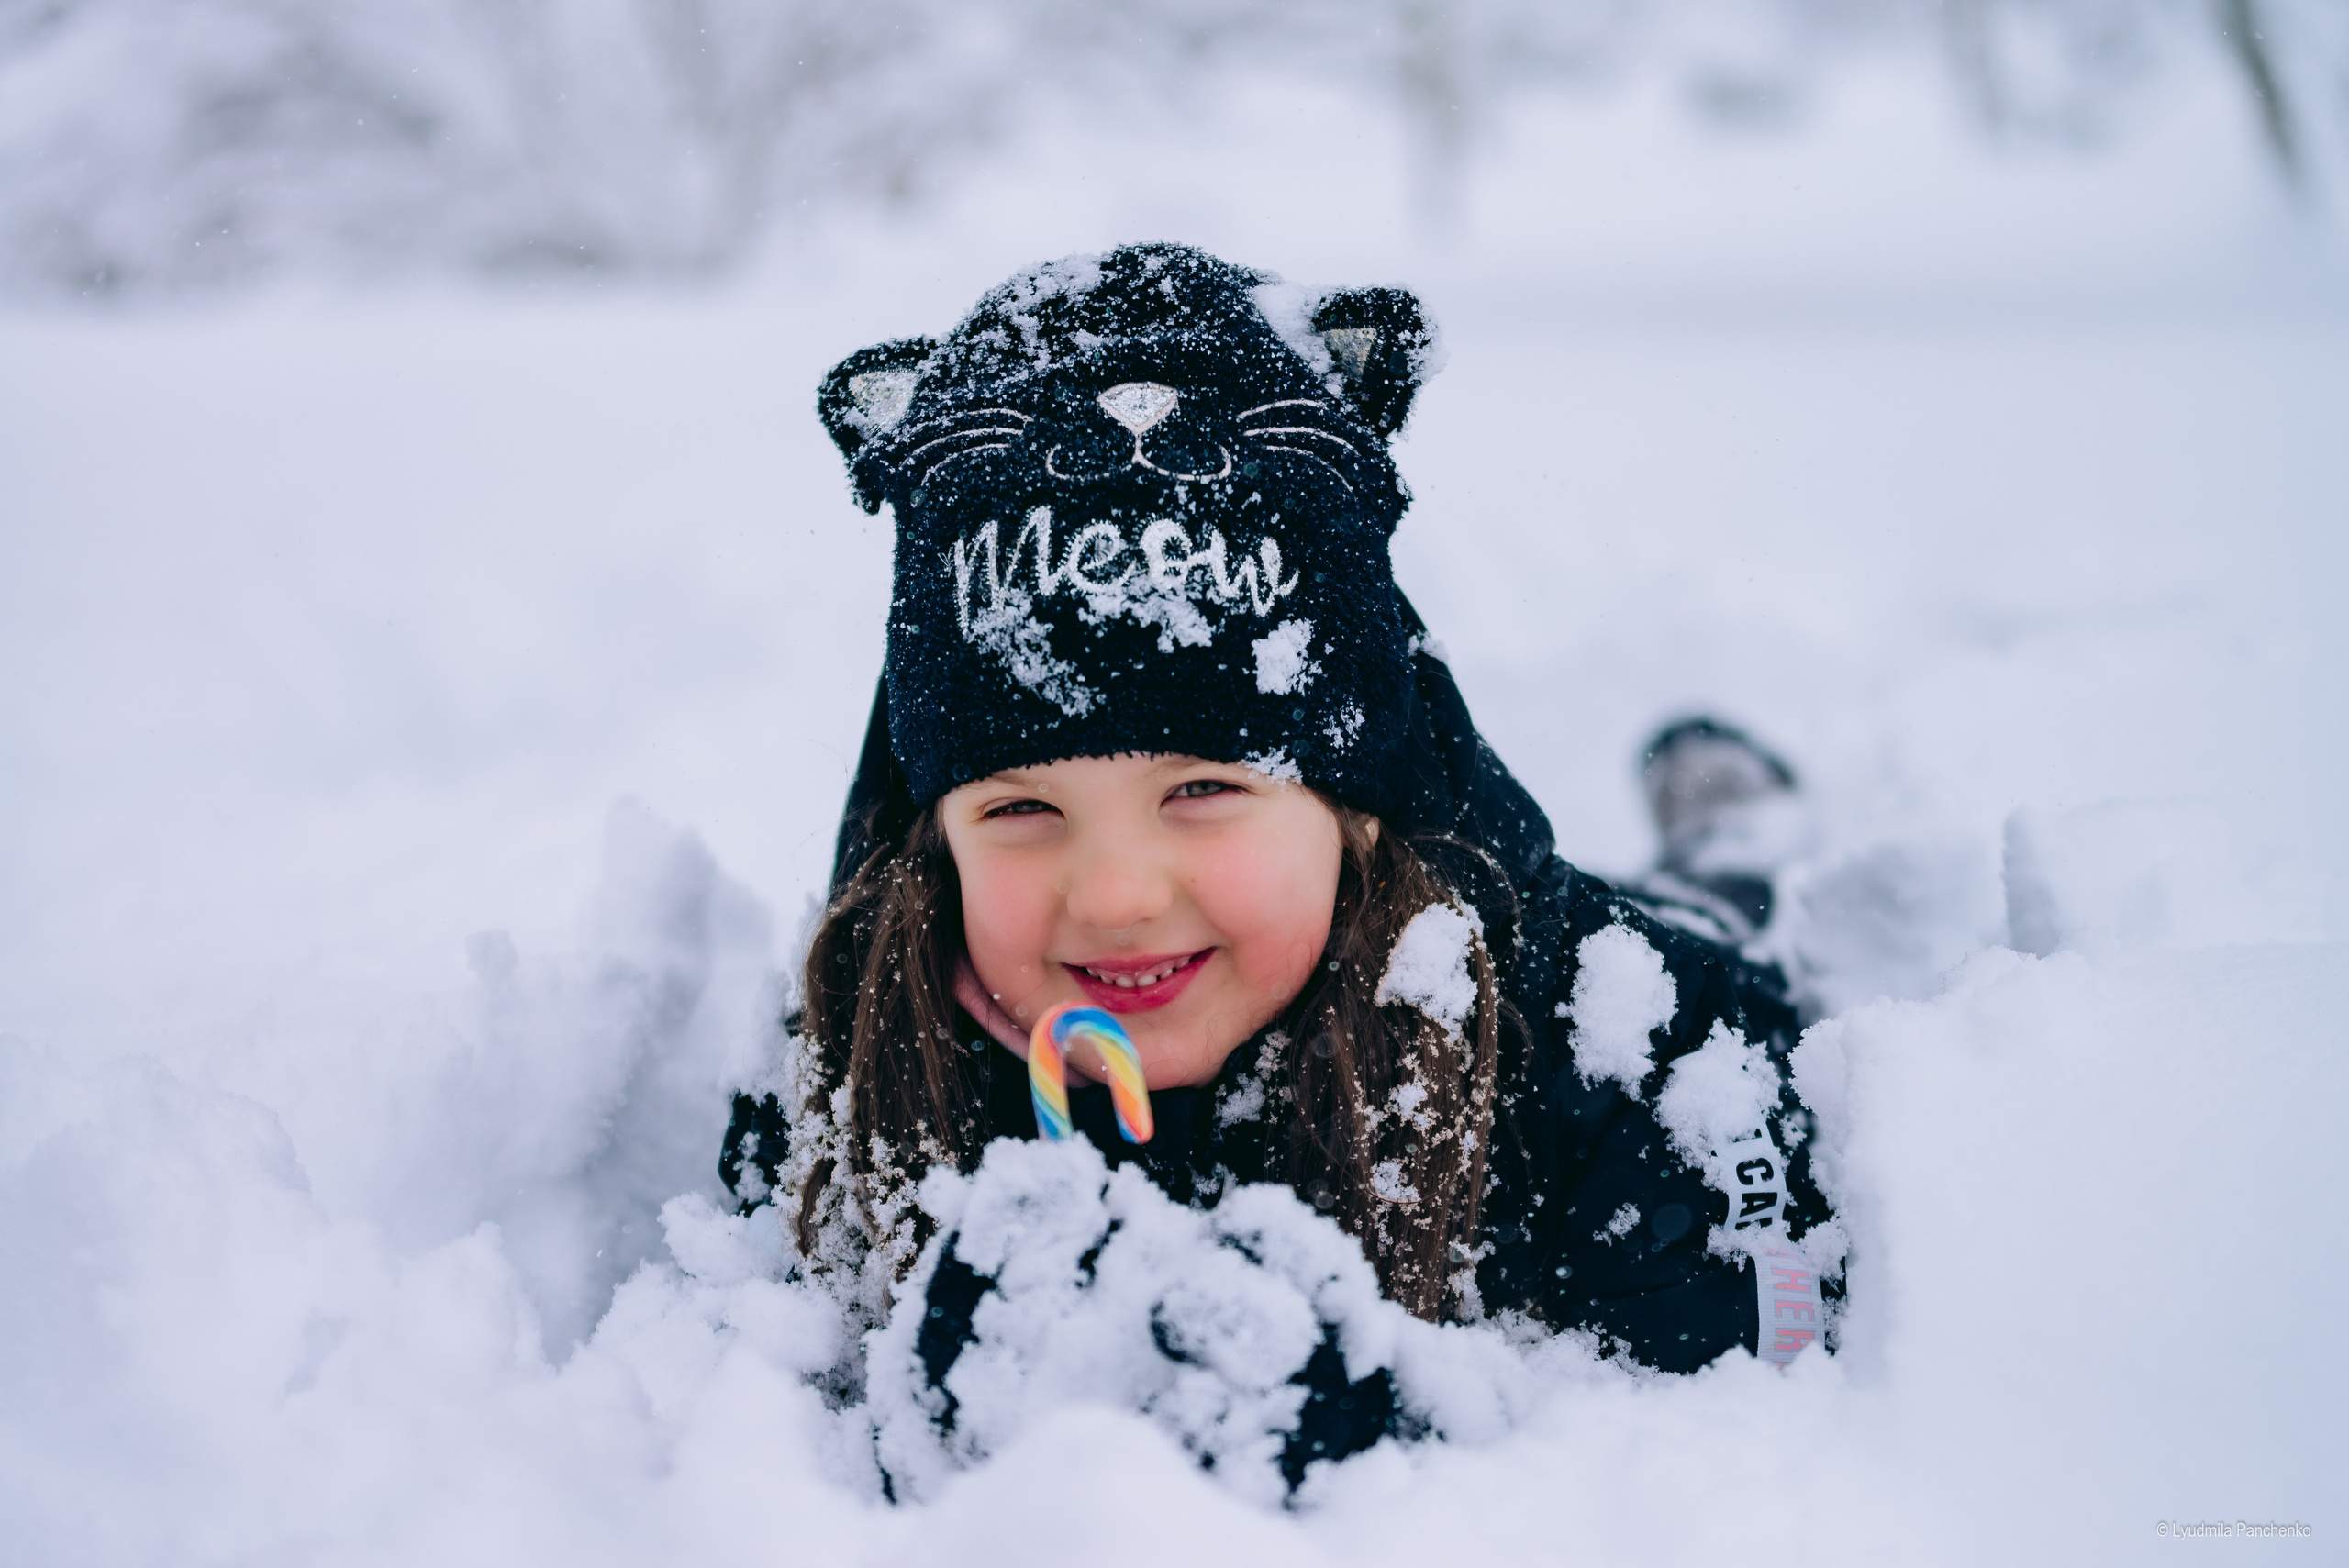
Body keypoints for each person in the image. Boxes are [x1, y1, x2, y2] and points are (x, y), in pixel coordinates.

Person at [720, 244, 1841, 1440]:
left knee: (1712, 903)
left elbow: (1753, 1383)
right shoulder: (858, 1054)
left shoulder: (1626, 1055)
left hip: (1637, 943)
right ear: (935, 833)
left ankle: (1730, 829)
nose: (1113, 896)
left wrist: (1391, 1454)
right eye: (1020, 808)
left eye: (1201, 787)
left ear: (1357, 798)